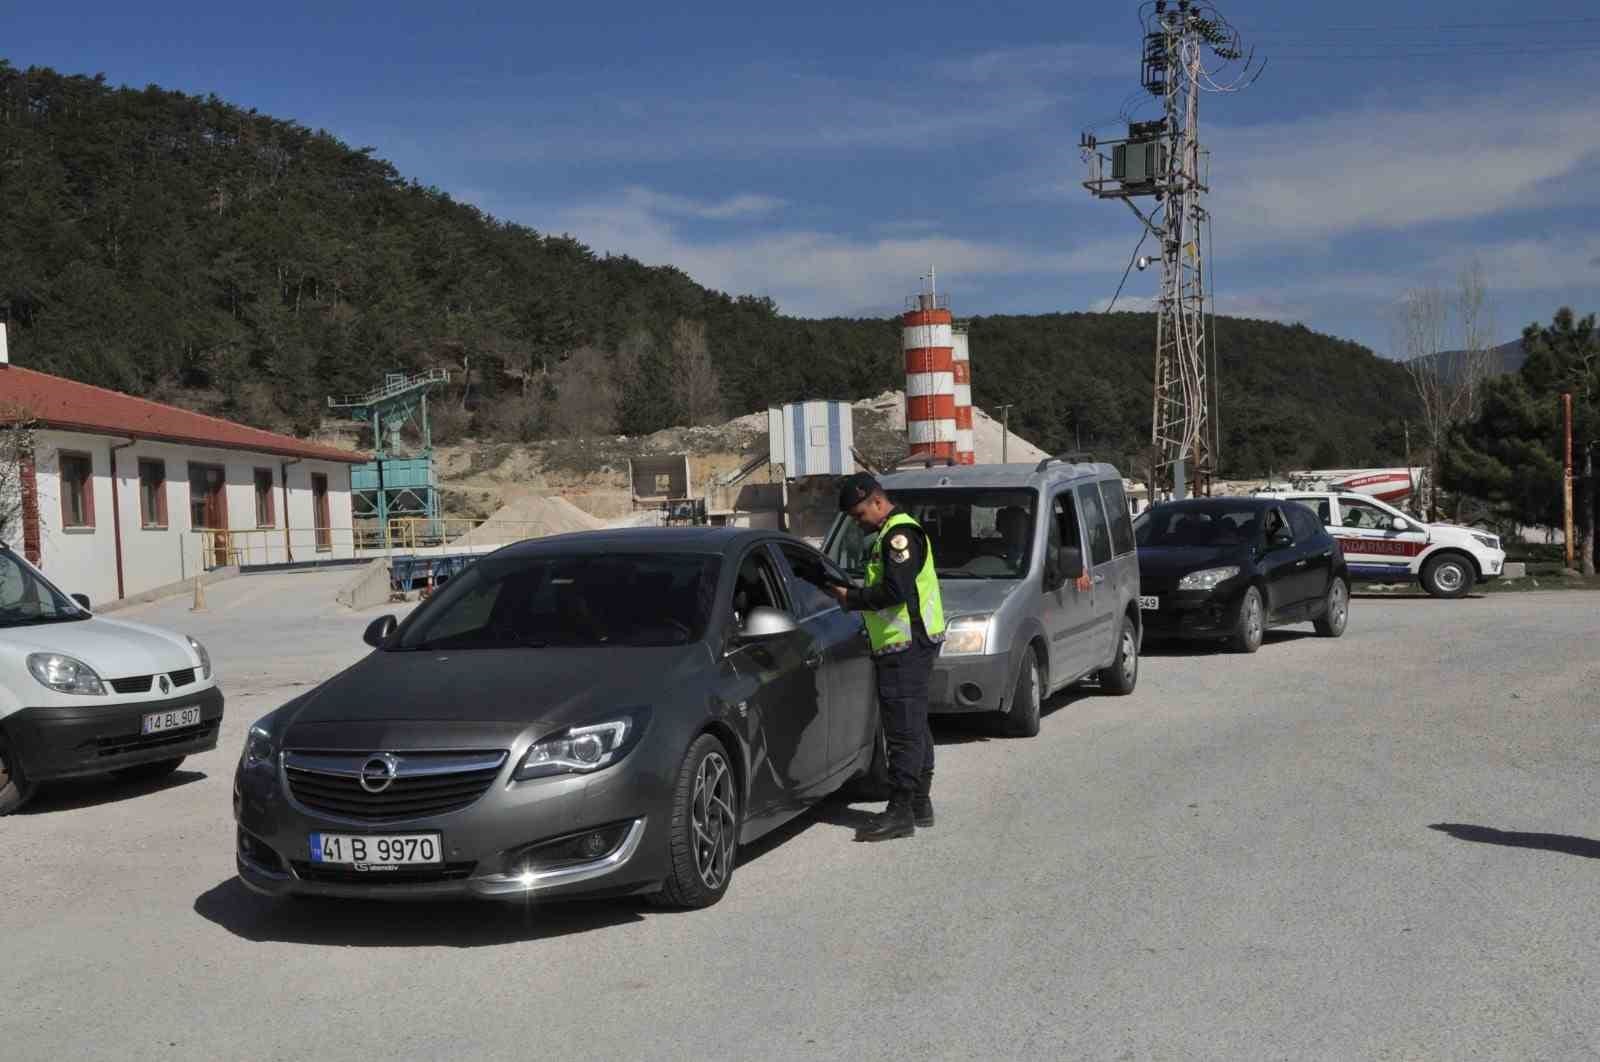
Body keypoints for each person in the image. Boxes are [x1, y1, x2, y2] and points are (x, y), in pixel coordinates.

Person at [826, 473, 946, 842]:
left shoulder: (899, 536)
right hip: (908, 642)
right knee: (914, 722)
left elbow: (894, 592)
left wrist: (851, 599)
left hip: (905, 644)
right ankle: (919, 803)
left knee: (902, 730)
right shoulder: (891, 533)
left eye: (860, 514)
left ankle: (900, 811)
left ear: (877, 502)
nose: (858, 521)